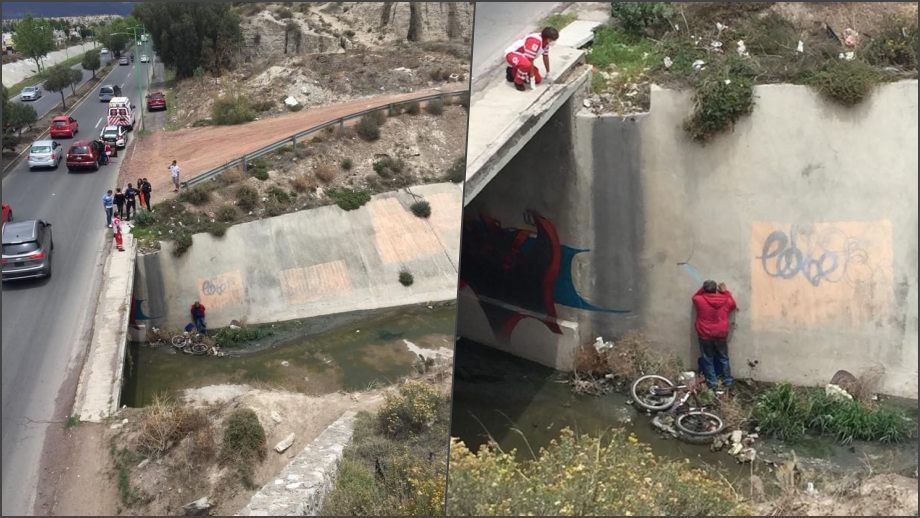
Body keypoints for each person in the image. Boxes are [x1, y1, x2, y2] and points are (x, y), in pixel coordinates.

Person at [692, 280, 738, 390]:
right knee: (724, 357)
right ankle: (728, 381)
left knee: (708, 359)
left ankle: (713, 383)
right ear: (716, 289)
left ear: (704, 290)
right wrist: (725, 292)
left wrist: (703, 289)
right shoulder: (726, 300)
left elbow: (694, 296)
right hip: (721, 333)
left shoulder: (699, 300)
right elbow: (733, 305)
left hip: (705, 334)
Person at [504, 27, 559, 91]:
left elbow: (545, 56)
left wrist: (548, 72)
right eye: (553, 40)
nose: (554, 42)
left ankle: (513, 72)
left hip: (524, 59)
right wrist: (532, 77)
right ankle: (518, 82)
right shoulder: (534, 41)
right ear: (548, 39)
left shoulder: (546, 43)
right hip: (512, 54)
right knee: (526, 65)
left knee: (538, 80)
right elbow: (530, 60)